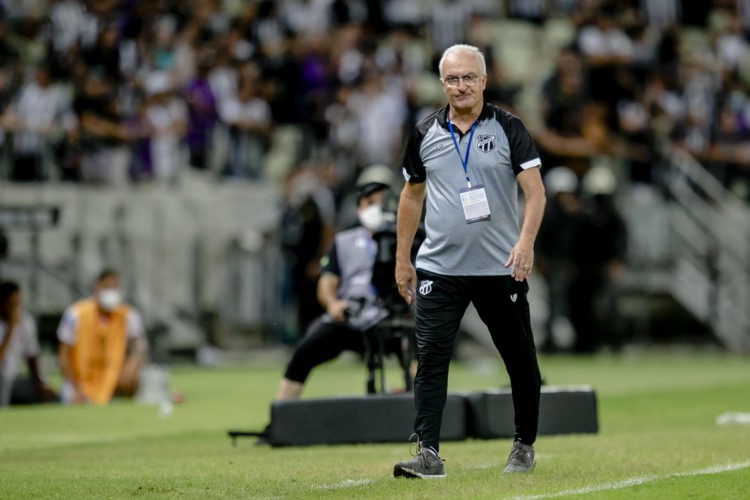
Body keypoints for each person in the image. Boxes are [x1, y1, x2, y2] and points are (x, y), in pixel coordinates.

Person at [393, 44, 546, 478]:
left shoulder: (509, 127)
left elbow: (535, 193)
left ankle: (524, 443)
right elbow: (411, 196)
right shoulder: (425, 132)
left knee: (519, 358)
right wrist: (403, 260)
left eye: (468, 78)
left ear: (484, 80)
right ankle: (428, 453)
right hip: (439, 269)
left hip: (500, 268)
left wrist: (526, 244)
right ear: (442, 84)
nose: (460, 86)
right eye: (452, 79)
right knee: (431, 356)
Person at [258, 165, 408, 444]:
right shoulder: (344, 241)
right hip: (349, 314)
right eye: (369, 201)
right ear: (358, 206)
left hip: (389, 314)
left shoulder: (406, 238)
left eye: (381, 200)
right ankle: (279, 421)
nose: (376, 207)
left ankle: (423, 417)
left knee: (420, 350)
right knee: (304, 352)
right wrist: (333, 304)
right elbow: (326, 283)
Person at [56, 269, 149, 404]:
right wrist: (76, 387)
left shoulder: (128, 315)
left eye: (114, 288)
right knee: (73, 400)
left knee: (135, 381)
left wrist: (132, 365)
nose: (111, 292)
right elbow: (63, 356)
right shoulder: (75, 314)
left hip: (113, 380)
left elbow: (140, 347)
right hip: (81, 381)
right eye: (107, 287)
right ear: (97, 287)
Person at [569, 165, 628, 353]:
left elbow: (621, 238)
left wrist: (618, 260)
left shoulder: (613, 215)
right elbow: (576, 240)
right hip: (585, 267)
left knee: (609, 308)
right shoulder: (584, 214)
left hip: (604, 266)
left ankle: (614, 344)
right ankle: (586, 345)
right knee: (583, 307)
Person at [535, 166, 581, 353]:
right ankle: (551, 343)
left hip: (572, 265)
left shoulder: (577, 215)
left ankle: (574, 343)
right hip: (555, 266)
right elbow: (540, 238)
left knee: (571, 305)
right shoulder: (548, 214)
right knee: (555, 306)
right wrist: (541, 260)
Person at [0, 280, 58, 406]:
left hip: (14, 379)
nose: (16, 308)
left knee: (53, 397)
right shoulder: (7, 326)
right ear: (2, 303)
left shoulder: (26, 322)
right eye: (12, 304)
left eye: (18, 303)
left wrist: (40, 383)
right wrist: (10, 329)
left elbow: (32, 357)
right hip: (2, 378)